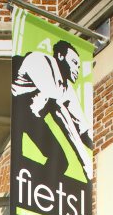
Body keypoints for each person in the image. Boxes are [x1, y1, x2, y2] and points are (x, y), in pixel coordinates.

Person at [11, 39, 93, 180]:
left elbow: (82, 128)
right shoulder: (39, 61)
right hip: (15, 113)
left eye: (79, 67)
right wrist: (86, 163)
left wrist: (97, 147)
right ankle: (23, 183)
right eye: (74, 63)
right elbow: (58, 111)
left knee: (59, 162)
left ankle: (34, 184)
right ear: (60, 56)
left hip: (32, 118)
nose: (77, 70)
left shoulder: (66, 88)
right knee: (16, 161)